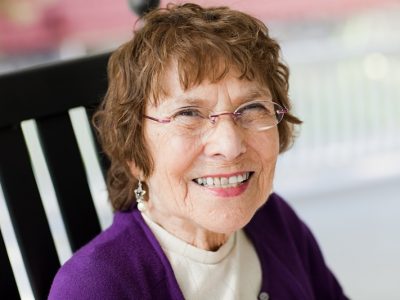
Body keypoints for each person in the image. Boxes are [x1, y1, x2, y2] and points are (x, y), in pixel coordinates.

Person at [49, 3, 349, 299]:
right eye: (189, 114)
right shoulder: (94, 288)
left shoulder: (275, 221)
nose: (230, 146)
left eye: (252, 108)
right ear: (133, 150)